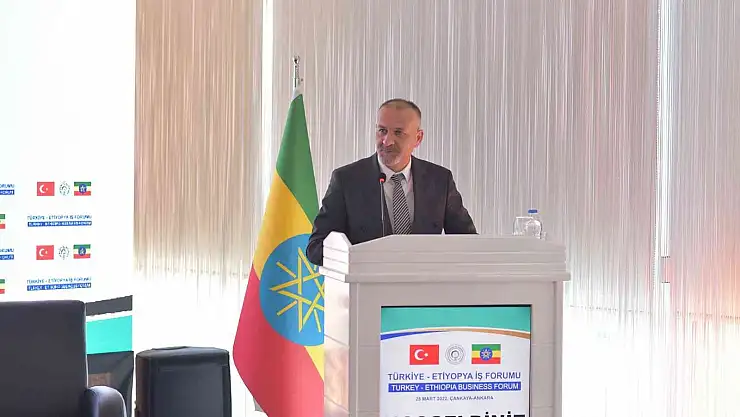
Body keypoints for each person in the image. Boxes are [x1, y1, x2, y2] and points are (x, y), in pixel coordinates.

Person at [306, 99, 477, 266]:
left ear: (418, 138)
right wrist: (357, 259)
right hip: (366, 282)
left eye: (398, 132)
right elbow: (316, 248)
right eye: (382, 131)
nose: (387, 141)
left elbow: (469, 244)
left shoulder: (439, 180)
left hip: (425, 283)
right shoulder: (347, 180)